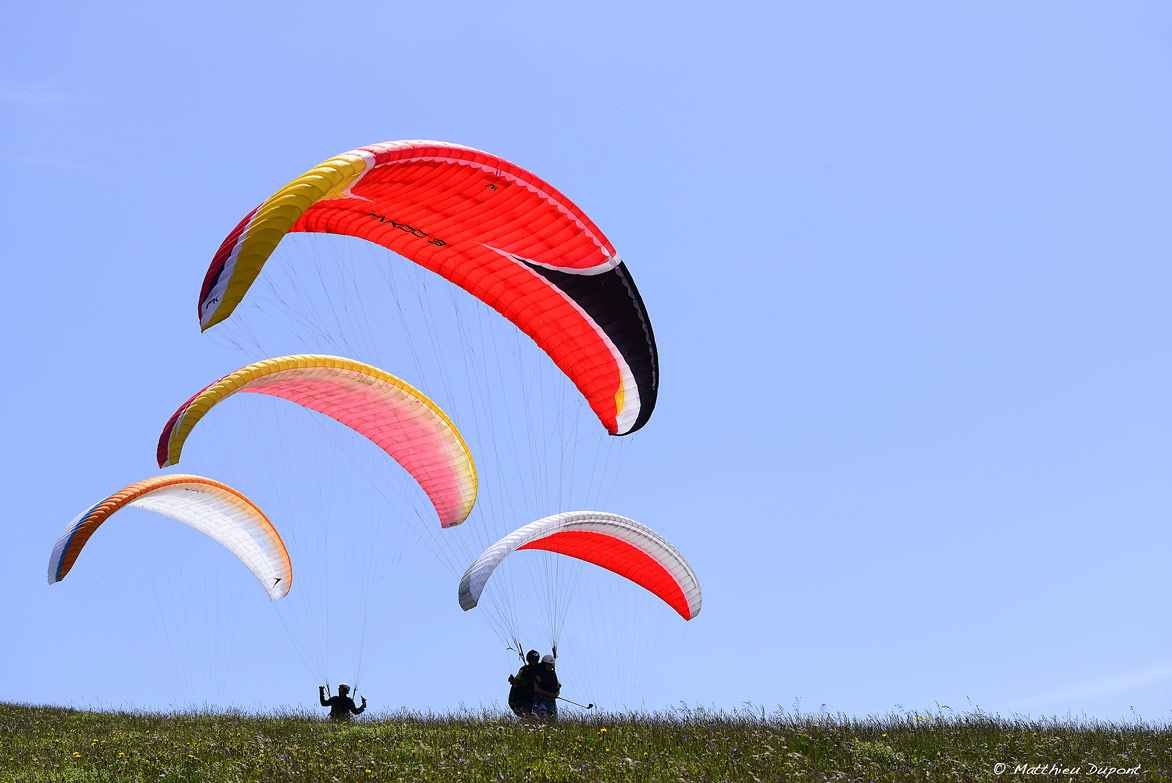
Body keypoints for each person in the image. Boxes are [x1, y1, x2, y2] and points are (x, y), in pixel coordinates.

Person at [507, 650, 540, 717]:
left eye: (536, 660)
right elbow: (515, 681)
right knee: (527, 713)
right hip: (525, 697)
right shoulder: (524, 670)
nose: (535, 662)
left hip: (536, 696)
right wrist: (511, 680)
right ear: (529, 660)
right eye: (533, 660)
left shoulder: (540, 669)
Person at [532, 654, 561, 720]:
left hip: (550, 701)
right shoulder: (538, 674)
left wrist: (556, 694)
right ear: (544, 664)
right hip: (539, 700)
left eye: (551, 665)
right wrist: (549, 694)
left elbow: (557, 687)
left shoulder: (552, 675)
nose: (549, 666)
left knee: (552, 717)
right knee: (541, 713)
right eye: (548, 664)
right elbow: (536, 689)